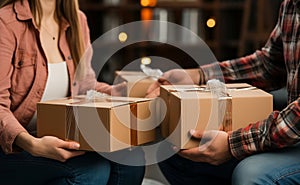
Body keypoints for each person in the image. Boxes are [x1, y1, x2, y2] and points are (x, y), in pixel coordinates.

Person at [147, 0, 300, 184]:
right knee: (177, 148)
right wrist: (197, 75)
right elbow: (268, 66)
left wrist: (231, 144)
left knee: (251, 174)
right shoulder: (291, 5)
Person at [0, 0, 145, 184]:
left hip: (63, 137)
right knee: (91, 172)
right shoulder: (5, 23)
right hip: (16, 147)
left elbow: (85, 87)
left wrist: (126, 92)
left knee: (132, 159)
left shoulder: (77, 20)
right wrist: (33, 144)